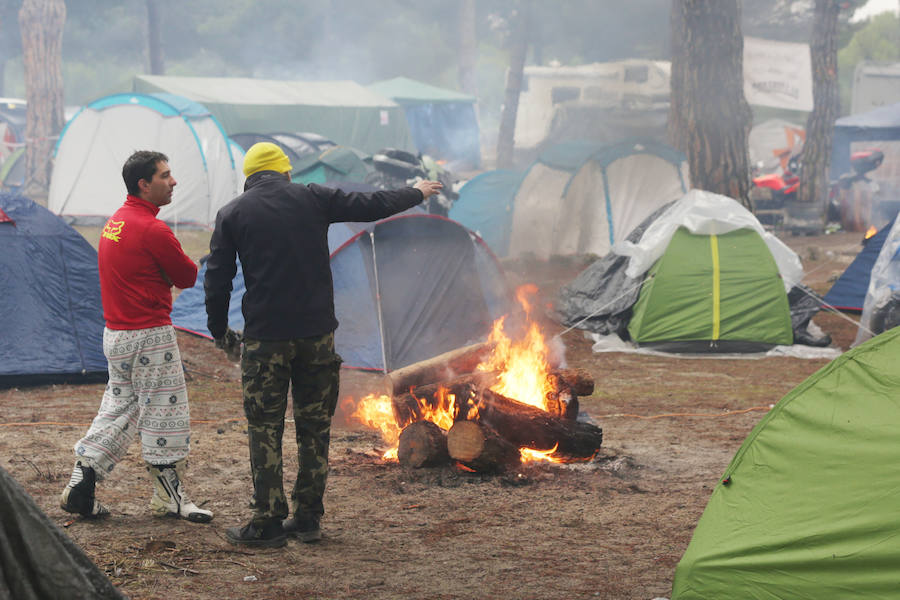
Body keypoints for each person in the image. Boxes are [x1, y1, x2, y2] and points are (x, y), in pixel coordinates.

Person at [205, 142, 442, 547]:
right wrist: (416, 192)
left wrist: (218, 330)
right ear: (286, 172)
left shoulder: (233, 213)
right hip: (316, 335)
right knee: (314, 429)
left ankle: (266, 523)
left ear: (248, 177)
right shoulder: (312, 198)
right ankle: (308, 518)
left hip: (266, 340)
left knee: (265, 428)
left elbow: (217, 279)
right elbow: (371, 204)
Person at [60, 150, 213, 524]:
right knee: (165, 414)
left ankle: (84, 475)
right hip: (150, 336)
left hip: (116, 334)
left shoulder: (114, 223)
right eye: (165, 175)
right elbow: (188, 277)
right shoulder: (153, 229)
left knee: (119, 409)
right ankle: (169, 498)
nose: (173, 181)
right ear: (144, 184)